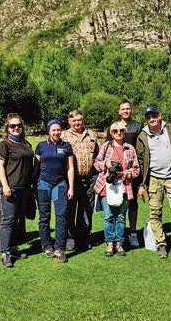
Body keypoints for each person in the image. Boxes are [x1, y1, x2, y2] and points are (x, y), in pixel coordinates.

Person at [135, 106, 171, 259]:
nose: (152, 119)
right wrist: (142, 184)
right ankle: (161, 243)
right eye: (148, 117)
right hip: (154, 179)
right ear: (146, 120)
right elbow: (140, 162)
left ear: (159, 116)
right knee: (155, 212)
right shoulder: (142, 136)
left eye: (154, 116)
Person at [94, 121, 140, 256]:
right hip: (106, 186)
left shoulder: (130, 148)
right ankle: (109, 242)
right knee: (108, 216)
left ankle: (119, 242)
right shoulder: (106, 146)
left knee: (120, 216)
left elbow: (136, 169)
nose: (118, 133)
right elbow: (96, 163)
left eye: (121, 131)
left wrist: (123, 173)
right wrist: (107, 164)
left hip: (124, 186)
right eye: (115, 131)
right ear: (111, 133)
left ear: (125, 133)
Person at [0, 113, 35, 268]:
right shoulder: (4, 145)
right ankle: (5, 253)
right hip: (8, 189)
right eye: (12, 126)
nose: (16, 128)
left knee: (17, 220)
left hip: (23, 188)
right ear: (7, 129)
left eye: (18, 125)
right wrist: (5, 186)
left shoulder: (26, 144)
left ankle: (12, 249)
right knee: (8, 220)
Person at [35, 119, 75, 263]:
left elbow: (70, 168)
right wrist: (34, 185)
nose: (56, 132)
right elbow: (35, 167)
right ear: (49, 131)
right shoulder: (41, 146)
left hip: (60, 184)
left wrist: (71, 187)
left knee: (61, 216)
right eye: (53, 130)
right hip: (43, 184)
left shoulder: (67, 146)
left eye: (58, 130)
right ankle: (47, 245)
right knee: (44, 217)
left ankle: (60, 249)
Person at [62, 110, 99, 251]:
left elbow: (99, 154)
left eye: (79, 120)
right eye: (74, 120)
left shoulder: (92, 135)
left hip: (89, 179)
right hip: (71, 180)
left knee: (86, 210)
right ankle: (70, 238)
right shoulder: (64, 136)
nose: (77, 123)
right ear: (69, 121)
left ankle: (83, 238)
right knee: (70, 209)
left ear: (83, 120)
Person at [107, 99, 143, 248]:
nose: (126, 111)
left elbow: (141, 149)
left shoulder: (138, 126)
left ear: (131, 110)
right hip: (116, 173)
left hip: (131, 169)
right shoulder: (114, 126)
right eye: (123, 109)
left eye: (128, 108)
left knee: (132, 203)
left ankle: (133, 233)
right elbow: (107, 148)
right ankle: (116, 235)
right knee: (116, 203)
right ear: (119, 111)